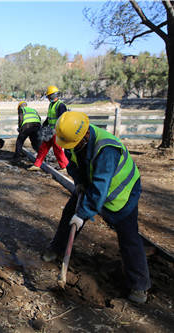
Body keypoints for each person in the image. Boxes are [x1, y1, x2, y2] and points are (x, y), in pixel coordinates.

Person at [42, 111, 150, 304]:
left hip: (122, 192)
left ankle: (139, 285)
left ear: (84, 136)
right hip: (94, 185)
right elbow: (72, 163)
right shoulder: (72, 139)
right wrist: (80, 182)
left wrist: (83, 213)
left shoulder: (106, 150)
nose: (68, 146)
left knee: (128, 236)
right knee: (69, 214)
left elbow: (101, 187)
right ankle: (57, 248)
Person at [28, 85, 69, 171]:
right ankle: (37, 165)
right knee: (43, 147)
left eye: (49, 96)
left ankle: (65, 166)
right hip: (50, 130)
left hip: (56, 131)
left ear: (53, 95)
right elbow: (49, 117)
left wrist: (58, 130)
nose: (48, 98)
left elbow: (62, 119)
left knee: (57, 149)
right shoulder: (51, 105)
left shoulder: (60, 105)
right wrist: (43, 126)